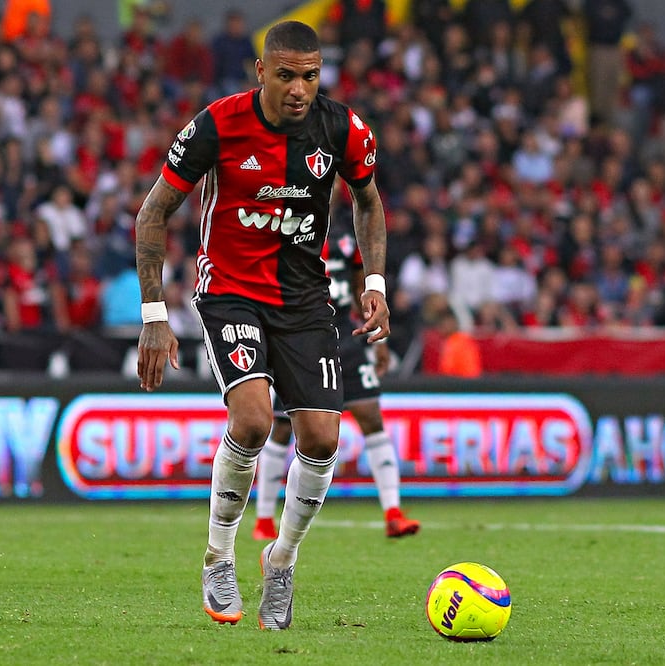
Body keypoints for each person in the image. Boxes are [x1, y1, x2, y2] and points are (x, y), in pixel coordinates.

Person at [134, 21, 390, 631]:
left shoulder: (343, 128)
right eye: (286, 76)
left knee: (324, 440)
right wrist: (154, 316)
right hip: (230, 292)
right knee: (251, 419)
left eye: (310, 75)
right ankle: (219, 556)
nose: (299, 89)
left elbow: (369, 200)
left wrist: (373, 283)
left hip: (304, 301)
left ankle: (281, 561)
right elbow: (153, 212)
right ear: (261, 73)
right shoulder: (218, 125)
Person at [253, 211, 419, 541]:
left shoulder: (344, 237)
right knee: (283, 427)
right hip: (301, 336)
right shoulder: (284, 229)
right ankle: (263, 519)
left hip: (346, 333)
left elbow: (362, 285)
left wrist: (377, 339)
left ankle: (393, 512)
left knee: (371, 415)